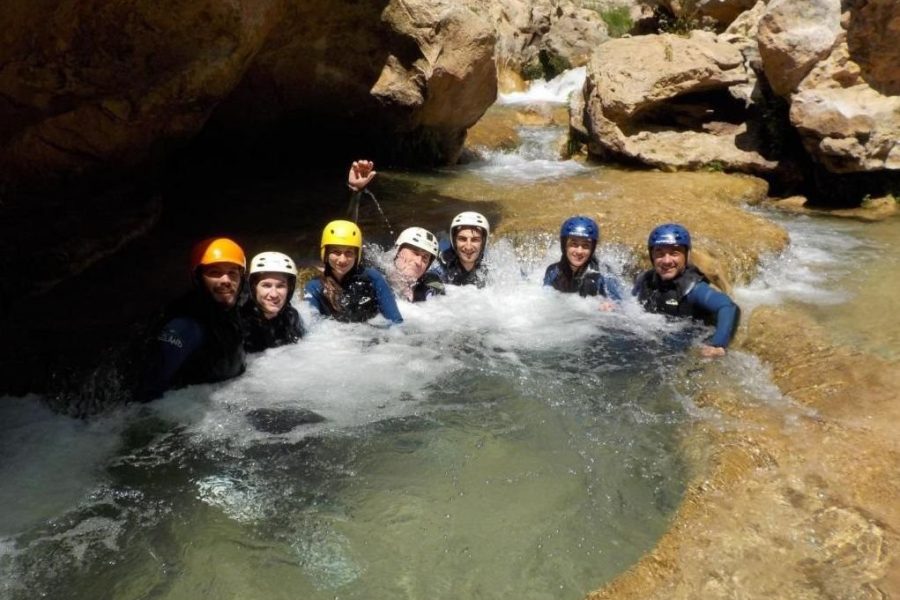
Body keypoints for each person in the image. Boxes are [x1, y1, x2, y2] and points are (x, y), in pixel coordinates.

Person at [139, 238, 248, 401]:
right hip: (191, 410)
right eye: (215, 273)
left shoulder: (230, 312)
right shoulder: (185, 327)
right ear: (198, 278)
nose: (226, 280)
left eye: (232, 273)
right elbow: (147, 395)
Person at [632, 223, 740, 358]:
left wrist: (718, 345)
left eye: (674, 253)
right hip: (658, 342)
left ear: (686, 255)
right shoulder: (645, 280)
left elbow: (729, 307)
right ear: (651, 256)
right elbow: (630, 303)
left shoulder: (694, 288)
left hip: (690, 343)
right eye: (660, 253)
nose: (667, 261)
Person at [304, 220, 403, 324]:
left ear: (357, 255)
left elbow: (396, 321)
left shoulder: (373, 278)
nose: (342, 260)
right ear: (326, 253)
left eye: (349, 252)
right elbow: (312, 328)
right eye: (336, 252)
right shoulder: (314, 287)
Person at [543, 216, 623, 309]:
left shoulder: (604, 275)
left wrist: (610, 307)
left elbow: (620, 306)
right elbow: (544, 300)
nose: (579, 251)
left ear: (592, 249)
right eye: (574, 244)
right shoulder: (553, 271)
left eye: (585, 246)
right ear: (564, 246)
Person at [240, 251, 305, 353]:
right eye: (266, 285)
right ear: (254, 287)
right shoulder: (242, 323)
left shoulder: (291, 316)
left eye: (280, 286)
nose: (274, 294)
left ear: (289, 289)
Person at [433, 211, 490, 287]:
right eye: (462, 239)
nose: (468, 247)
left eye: (475, 240)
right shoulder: (440, 264)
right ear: (454, 241)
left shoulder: (491, 266)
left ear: (483, 242)